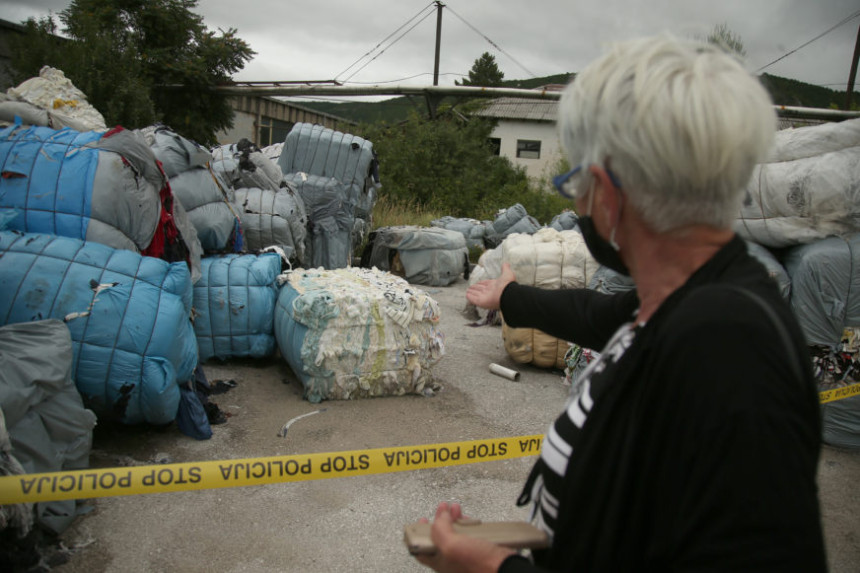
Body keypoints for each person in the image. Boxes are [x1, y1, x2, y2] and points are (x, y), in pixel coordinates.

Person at [414, 34, 827, 572]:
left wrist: (492, 570)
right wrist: (508, 296)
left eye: (576, 185)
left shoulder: (729, 347)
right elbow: (596, 316)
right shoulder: (680, 303)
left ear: (609, 195)